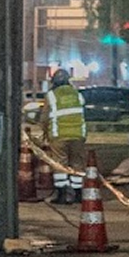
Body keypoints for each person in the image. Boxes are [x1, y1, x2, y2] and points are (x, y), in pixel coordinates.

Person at [43, 69, 86, 204]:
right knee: (77, 163)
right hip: (78, 135)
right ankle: (78, 194)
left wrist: (45, 132)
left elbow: (44, 117)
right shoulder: (77, 94)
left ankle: (62, 195)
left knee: (60, 164)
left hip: (59, 135)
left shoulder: (51, 96)